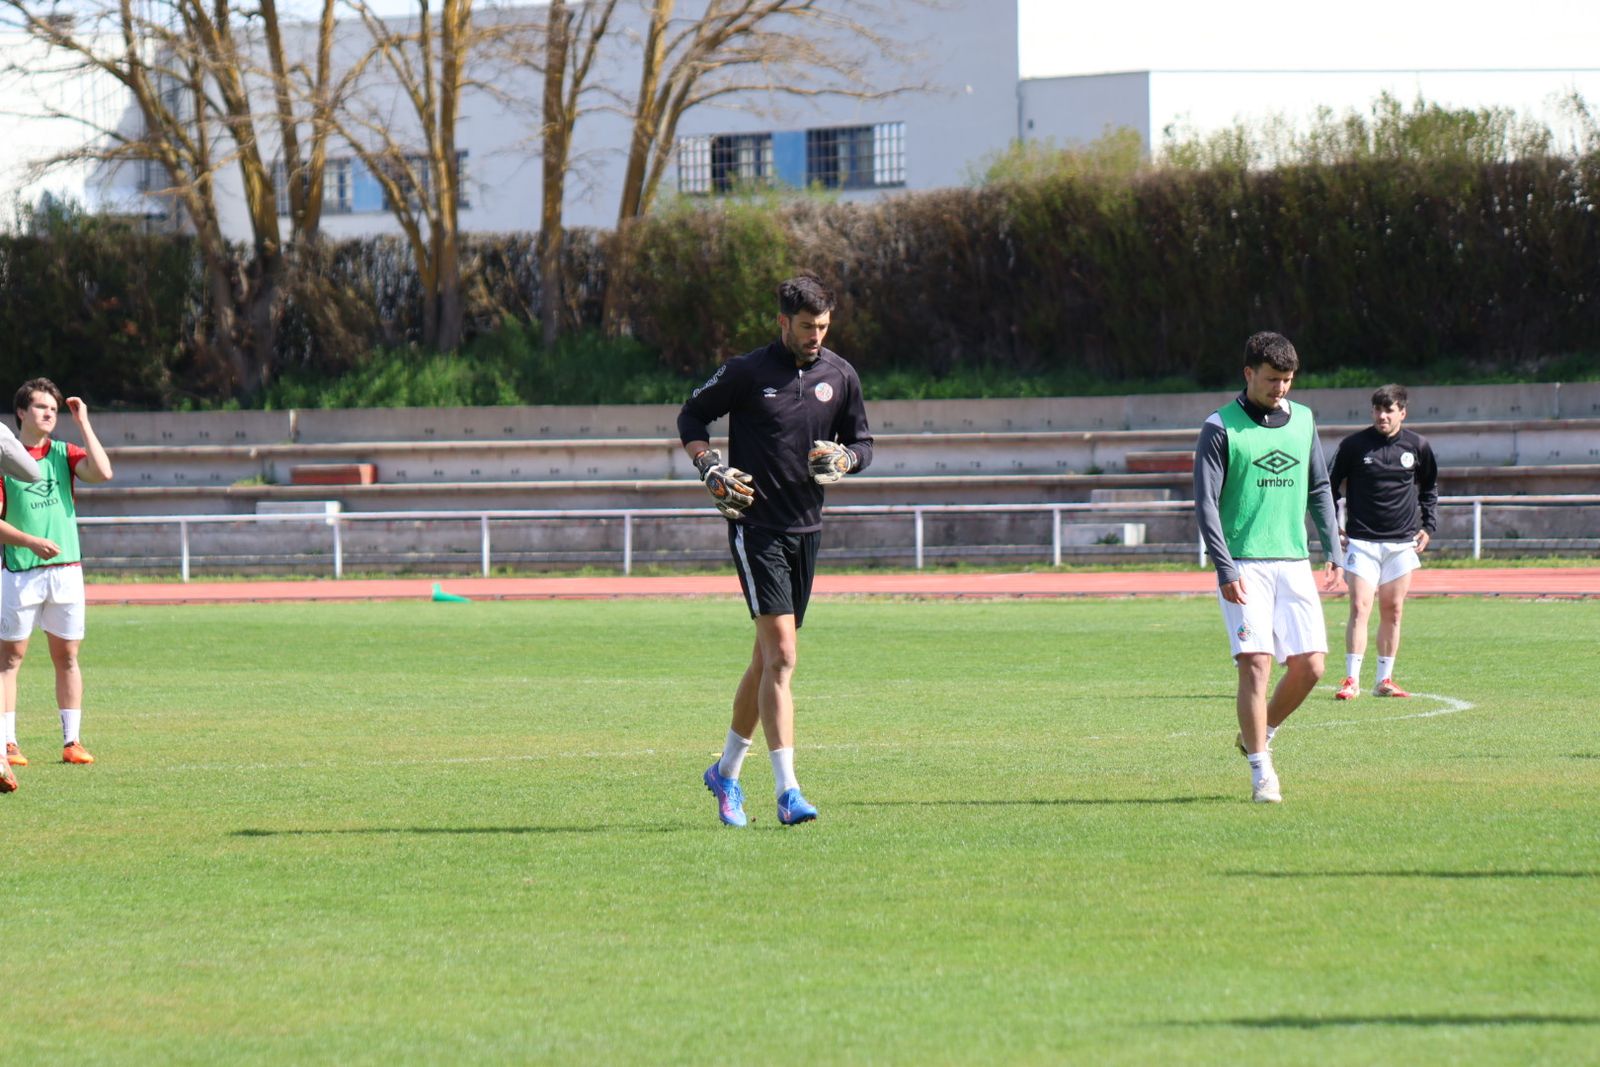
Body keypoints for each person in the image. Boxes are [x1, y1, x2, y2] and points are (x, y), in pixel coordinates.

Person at [678, 275, 873, 827]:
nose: (816, 336)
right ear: (783, 322)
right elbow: (690, 416)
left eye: (824, 327)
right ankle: (788, 791)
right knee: (784, 655)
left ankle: (725, 773)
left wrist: (846, 460)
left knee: (766, 659)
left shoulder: (840, 375)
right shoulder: (746, 372)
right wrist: (708, 466)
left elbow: (863, 442)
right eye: (807, 326)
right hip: (756, 527)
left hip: (807, 529)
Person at [1194, 332, 1341, 804]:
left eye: (1288, 380)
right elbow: (1206, 503)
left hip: (1293, 560)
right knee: (1255, 665)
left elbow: (1319, 487)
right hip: (1243, 563)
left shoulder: (1305, 420)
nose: (1281, 388)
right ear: (1249, 373)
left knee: (1312, 666)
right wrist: (1224, 567)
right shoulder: (1220, 427)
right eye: (1273, 379)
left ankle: (1260, 732)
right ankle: (1262, 772)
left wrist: (1333, 548)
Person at [0, 379, 115, 790]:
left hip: (66, 571)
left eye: (53, 408)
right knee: (10, 659)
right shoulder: (4, 459)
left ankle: (72, 741)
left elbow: (103, 472)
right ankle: (7, 743)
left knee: (67, 656)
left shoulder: (64, 454)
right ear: (21, 412)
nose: (49, 413)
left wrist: (83, 422)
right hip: (21, 571)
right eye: (41, 407)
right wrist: (30, 541)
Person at [1329, 384, 1439, 700]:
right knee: (1360, 606)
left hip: (1401, 544)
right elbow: (1329, 486)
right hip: (1361, 542)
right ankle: (1351, 680)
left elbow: (1429, 488)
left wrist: (1428, 525)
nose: (1382, 416)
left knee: (1393, 610)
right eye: (1377, 410)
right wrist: (1334, 527)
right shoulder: (1353, 446)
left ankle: (1384, 680)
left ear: (1402, 412)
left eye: (1389, 410)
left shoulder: (1418, 446)